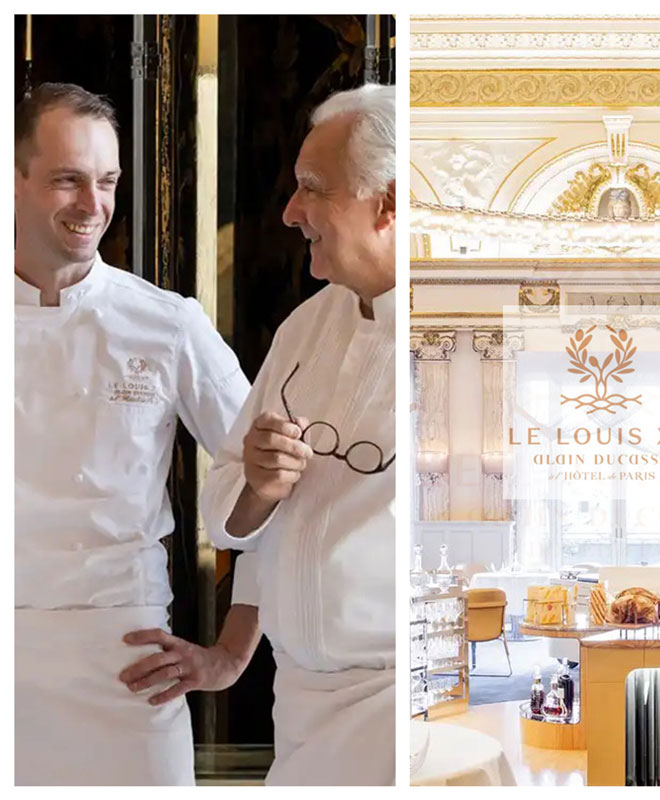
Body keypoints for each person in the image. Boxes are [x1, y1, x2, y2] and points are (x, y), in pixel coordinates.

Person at [14, 82, 261, 786]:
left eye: (108, 181)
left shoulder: (169, 324)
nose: (93, 206)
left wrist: (231, 653)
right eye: (68, 180)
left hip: (128, 662)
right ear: (15, 180)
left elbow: (276, 491)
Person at [200, 83, 396, 786]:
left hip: (399, 707)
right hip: (300, 707)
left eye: (312, 189)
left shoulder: (471, 337)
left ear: (390, 203)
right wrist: (257, 487)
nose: (289, 213)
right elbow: (227, 509)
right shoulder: (302, 328)